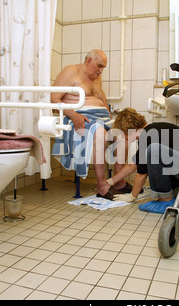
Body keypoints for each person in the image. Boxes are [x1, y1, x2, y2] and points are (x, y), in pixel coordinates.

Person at [51, 49, 131, 198]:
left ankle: (118, 182)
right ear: (89, 61)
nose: (101, 71)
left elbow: (100, 94)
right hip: (81, 118)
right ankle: (101, 185)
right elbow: (54, 100)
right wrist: (74, 115)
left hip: (101, 119)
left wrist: (106, 110)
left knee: (122, 137)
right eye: (99, 66)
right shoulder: (70, 71)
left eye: (103, 68)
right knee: (99, 133)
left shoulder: (95, 77)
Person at [99, 108, 179, 214]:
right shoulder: (151, 131)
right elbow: (132, 166)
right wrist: (108, 182)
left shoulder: (148, 136)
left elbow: (142, 174)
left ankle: (165, 201)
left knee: (154, 150)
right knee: (154, 152)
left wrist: (132, 196)